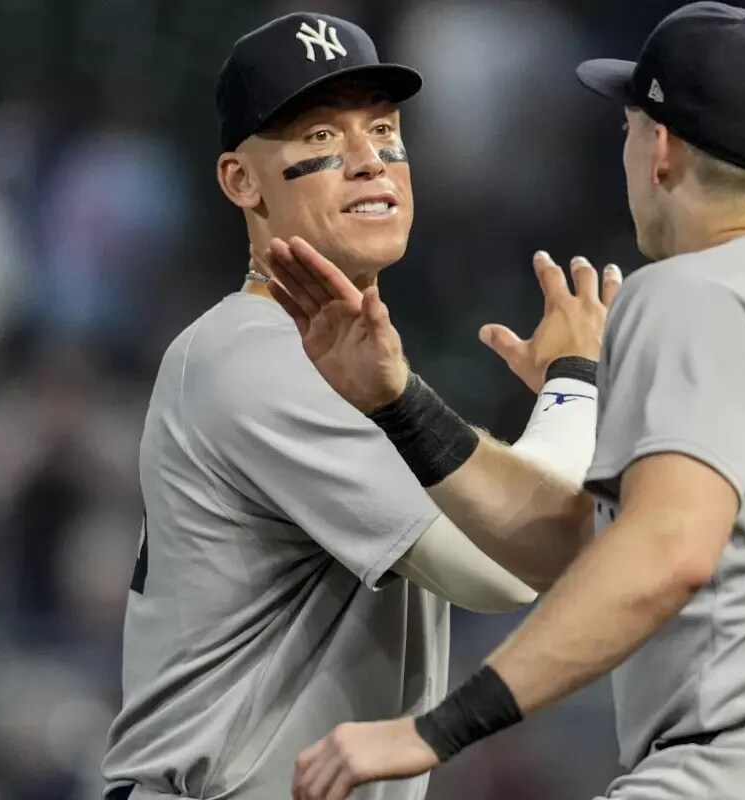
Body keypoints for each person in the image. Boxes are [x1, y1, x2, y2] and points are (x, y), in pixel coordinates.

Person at [265, 4, 745, 800]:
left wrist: (436, 729)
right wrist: (399, 402)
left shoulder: (699, 287)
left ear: (662, 149)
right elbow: (585, 552)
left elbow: (668, 549)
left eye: (629, 126)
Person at [100, 12, 619, 800]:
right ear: (241, 181)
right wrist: (573, 382)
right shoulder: (255, 353)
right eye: (320, 137)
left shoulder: (333, 357)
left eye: (382, 129)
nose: (369, 160)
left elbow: (527, 536)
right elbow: (508, 563)